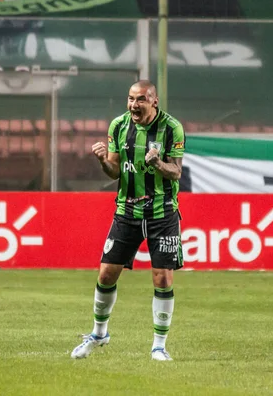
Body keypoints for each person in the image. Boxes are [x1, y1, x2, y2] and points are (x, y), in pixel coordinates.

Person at [71, 80, 186, 361]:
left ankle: (159, 346)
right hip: (126, 212)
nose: (134, 105)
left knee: (162, 278)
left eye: (141, 100)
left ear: (154, 102)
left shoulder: (172, 128)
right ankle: (99, 334)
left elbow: (176, 172)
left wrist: (158, 163)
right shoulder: (118, 126)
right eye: (131, 99)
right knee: (106, 274)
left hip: (162, 213)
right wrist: (102, 161)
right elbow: (114, 171)